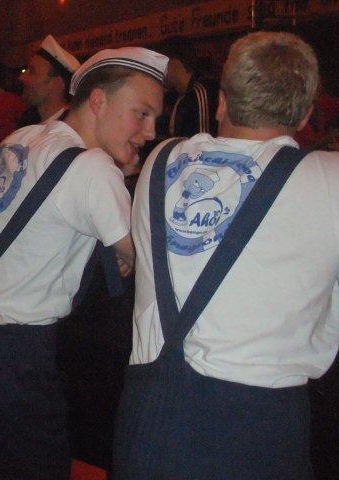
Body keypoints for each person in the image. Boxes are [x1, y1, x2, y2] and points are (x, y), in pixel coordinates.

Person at [0, 46, 167, 480]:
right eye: (142, 113)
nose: (150, 131)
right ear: (99, 100)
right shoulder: (93, 170)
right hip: (13, 355)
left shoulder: (23, 138)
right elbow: (149, 265)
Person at [113, 31, 338, 479]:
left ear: (220, 103)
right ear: (305, 114)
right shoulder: (330, 182)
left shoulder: (161, 160)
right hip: (255, 428)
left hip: (147, 419)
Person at [160, 35, 218, 137]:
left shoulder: (199, 94)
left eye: (161, 65)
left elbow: (203, 142)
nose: (159, 72)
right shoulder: (183, 96)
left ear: (174, 64)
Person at [18, 34, 80, 126]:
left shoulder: (70, 128)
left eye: (32, 72)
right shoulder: (27, 120)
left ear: (57, 83)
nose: (21, 77)